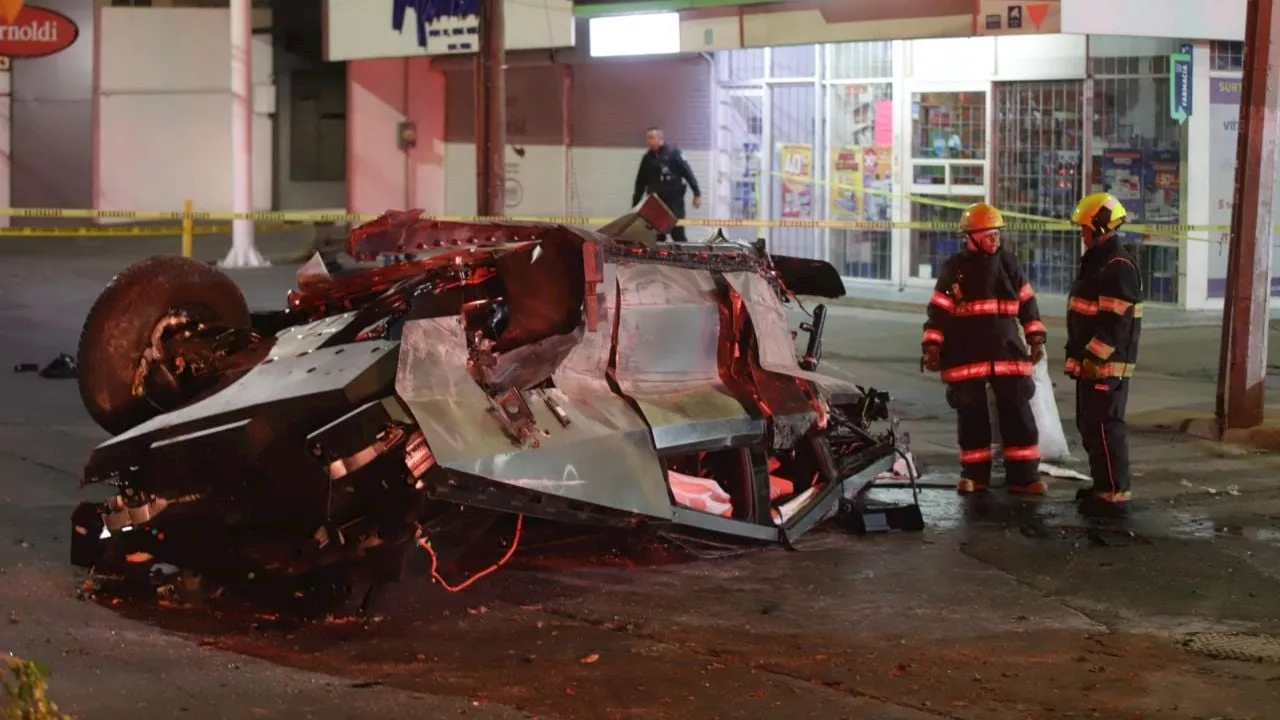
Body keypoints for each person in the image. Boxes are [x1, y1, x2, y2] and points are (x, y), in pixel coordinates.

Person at [921, 202, 1048, 496]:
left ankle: (1025, 477)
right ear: (971, 236)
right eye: (989, 235)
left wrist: (1036, 339)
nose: (996, 239)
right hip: (966, 355)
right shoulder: (954, 269)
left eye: (997, 234)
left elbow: (1029, 305)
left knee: (1018, 414)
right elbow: (938, 312)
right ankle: (975, 476)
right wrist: (932, 346)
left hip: (1006, 354)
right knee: (972, 416)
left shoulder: (1010, 265)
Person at [1065, 192, 1143, 518]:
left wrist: (1094, 359)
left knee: (1105, 427)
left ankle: (1113, 494)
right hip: (1092, 365)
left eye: (1085, 229)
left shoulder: (1117, 266)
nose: (1082, 235)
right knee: (1090, 426)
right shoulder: (1098, 263)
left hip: (1106, 367)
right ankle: (1103, 486)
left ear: (1099, 228)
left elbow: (1115, 323)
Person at [631, 127, 702, 243]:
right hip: (655, 203)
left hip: (674, 202)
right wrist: (635, 205)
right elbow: (640, 183)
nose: (649, 141)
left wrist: (697, 193)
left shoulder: (674, 153)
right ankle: (658, 259)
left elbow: (688, 173)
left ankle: (684, 258)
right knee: (656, 236)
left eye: (651, 138)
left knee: (678, 234)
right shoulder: (647, 159)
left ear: (660, 138)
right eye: (647, 138)